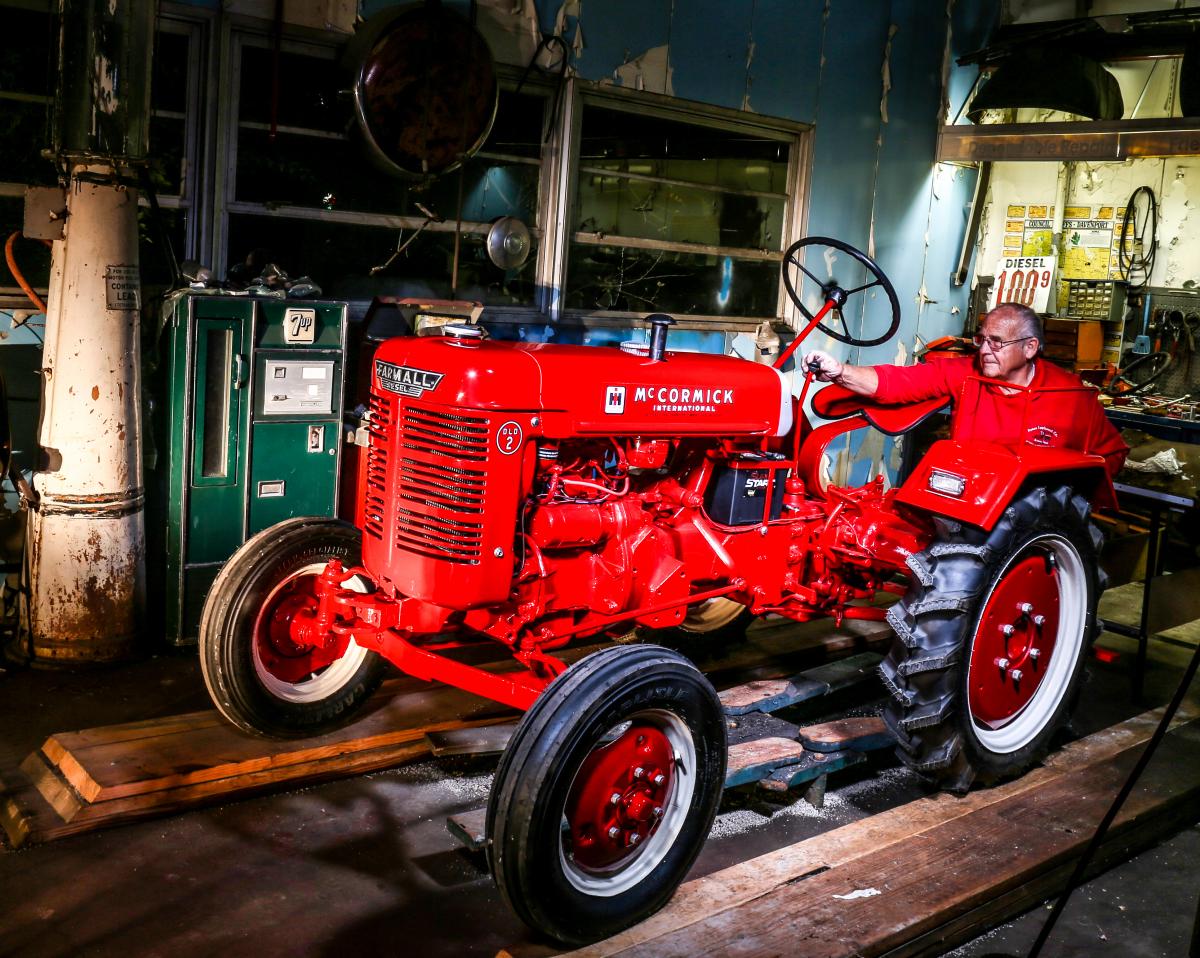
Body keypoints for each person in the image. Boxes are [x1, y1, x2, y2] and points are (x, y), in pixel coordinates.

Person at [804, 302, 1128, 477]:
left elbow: (1111, 455)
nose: (984, 350)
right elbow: (898, 383)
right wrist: (840, 371)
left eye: (996, 342)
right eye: (981, 339)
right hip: (967, 492)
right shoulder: (965, 373)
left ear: (1030, 347)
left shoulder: (1069, 394)